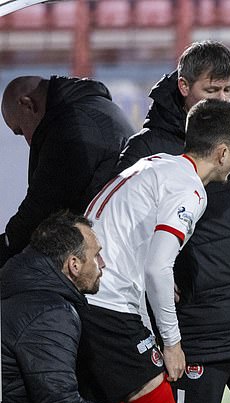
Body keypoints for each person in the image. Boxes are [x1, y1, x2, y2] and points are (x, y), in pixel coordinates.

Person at [115, 40, 230, 403]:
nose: (224, 98)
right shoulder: (147, 149)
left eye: (228, 89)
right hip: (198, 328)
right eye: (211, 90)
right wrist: (165, 277)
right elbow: (121, 231)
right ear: (184, 86)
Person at [78, 98, 230, 403]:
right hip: (109, 311)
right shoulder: (191, 192)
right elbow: (157, 267)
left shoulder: (157, 163)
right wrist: (172, 343)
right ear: (223, 153)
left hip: (84, 301)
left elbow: (139, 258)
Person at [0, 75, 134, 268]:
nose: (28, 141)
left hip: (104, 262)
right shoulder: (96, 108)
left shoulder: (72, 126)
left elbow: (41, 211)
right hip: (118, 248)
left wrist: (6, 245)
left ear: (27, 104)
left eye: (20, 130)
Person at [1, 211, 114, 403]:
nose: (102, 264)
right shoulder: (50, 312)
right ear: (74, 264)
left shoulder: (20, 290)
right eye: (96, 255)